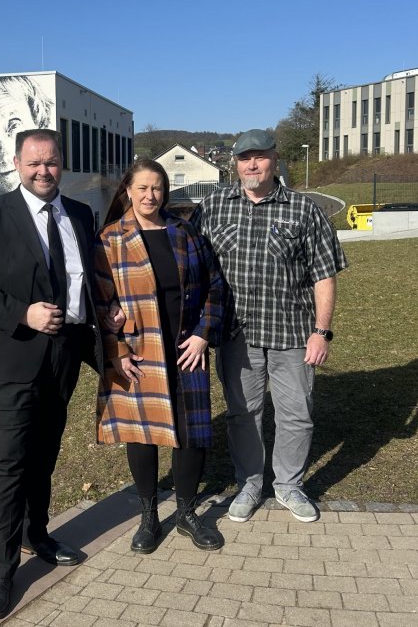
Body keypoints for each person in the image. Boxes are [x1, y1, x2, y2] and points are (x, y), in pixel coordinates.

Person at [0, 129, 123, 619]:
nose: (43, 171)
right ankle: (1, 570)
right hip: (6, 360)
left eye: (51, 162)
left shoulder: (81, 215)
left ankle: (37, 533)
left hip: (61, 357)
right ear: (16, 164)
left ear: (60, 163)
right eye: (34, 163)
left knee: (44, 453)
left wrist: (105, 313)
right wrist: (22, 314)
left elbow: (85, 281)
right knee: (9, 462)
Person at [196, 129, 347, 524]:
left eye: (259, 156)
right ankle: (248, 484)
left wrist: (321, 332)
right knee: (243, 415)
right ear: (234, 163)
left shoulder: (303, 209)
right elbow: (189, 265)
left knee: (296, 414)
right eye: (244, 157)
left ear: (275, 160)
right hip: (236, 335)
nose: (252, 164)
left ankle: (289, 485)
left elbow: (325, 274)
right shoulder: (212, 207)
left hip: (293, 334)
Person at [94, 160, 225, 555]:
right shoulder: (110, 239)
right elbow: (99, 303)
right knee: (142, 434)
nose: (150, 196)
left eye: (157, 188)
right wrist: (116, 351)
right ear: (128, 191)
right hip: (138, 353)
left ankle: (186, 512)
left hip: (186, 349)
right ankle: (149, 516)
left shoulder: (185, 233)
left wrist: (203, 334)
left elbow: (215, 287)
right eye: (143, 188)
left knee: (192, 434)